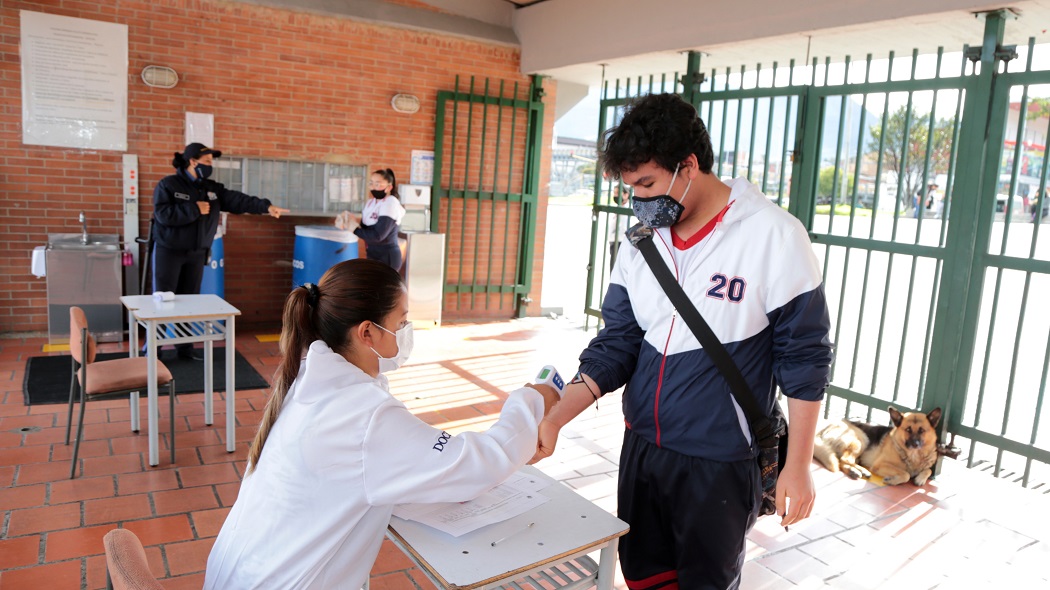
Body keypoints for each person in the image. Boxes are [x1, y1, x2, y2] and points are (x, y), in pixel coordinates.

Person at [530, 93, 833, 590]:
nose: (640, 200)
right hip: (643, 449)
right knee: (645, 577)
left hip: (719, 461)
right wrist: (555, 419)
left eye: (647, 183)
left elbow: (805, 359)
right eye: (630, 188)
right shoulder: (642, 242)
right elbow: (617, 344)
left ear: (688, 166)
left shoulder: (773, 236)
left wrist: (798, 467)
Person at [203, 258, 560, 590]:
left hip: (239, 573)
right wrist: (532, 399)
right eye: (400, 322)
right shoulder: (363, 414)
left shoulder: (311, 379)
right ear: (367, 333)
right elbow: (476, 465)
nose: (406, 331)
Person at [151, 143, 288, 360]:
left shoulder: (211, 188)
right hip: (170, 251)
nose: (210, 166)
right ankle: (154, 350)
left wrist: (266, 207)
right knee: (163, 301)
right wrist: (193, 208)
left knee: (189, 302)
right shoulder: (168, 185)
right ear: (192, 162)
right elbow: (162, 215)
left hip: (197, 253)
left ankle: (185, 349)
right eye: (206, 162)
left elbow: (237, 200)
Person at [336, 168, 406, 271]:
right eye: (371, 183)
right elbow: (365, 230)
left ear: (389, 187)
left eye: (377, 184)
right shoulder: (370, 203)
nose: (373, 187)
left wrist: (354, 229)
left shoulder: (390, 203)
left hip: (387, 256)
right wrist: (349, 221)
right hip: (372, 254)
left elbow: (378, 236)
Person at [606, 183, 632, 272]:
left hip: (621, 243)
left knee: (617, 271)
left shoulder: (629, 209)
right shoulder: (619, 208)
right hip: (615, 242)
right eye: (614, 193)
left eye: (618, 193)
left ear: (626, 194)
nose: (615, 195)